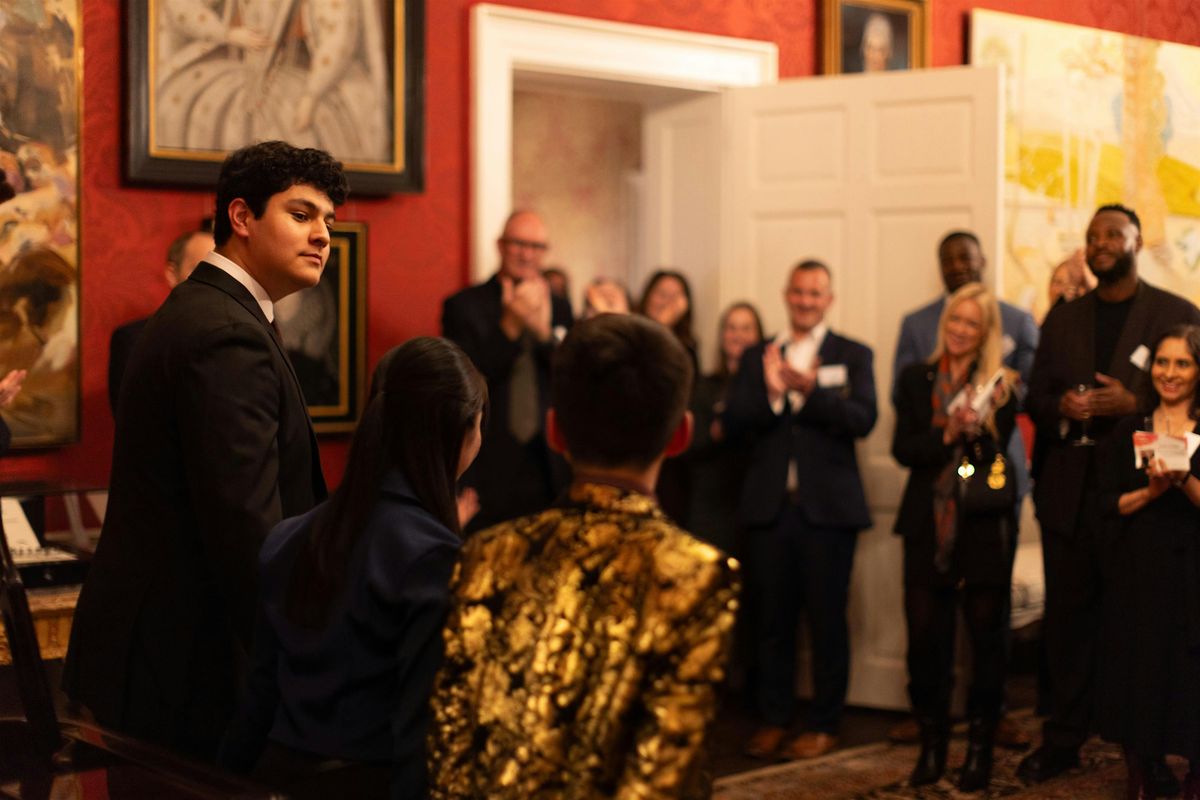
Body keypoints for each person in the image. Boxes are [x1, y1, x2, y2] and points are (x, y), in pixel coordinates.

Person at [63, 141, 348, 761]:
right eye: (301, 214)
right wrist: (306, 668)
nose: (323, 236)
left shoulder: (216, 311)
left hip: (170, 649)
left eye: (328, 221)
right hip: (186, 661)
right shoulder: (225, 332)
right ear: (241, 217)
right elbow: (246, 527)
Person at [427, 314, 740, 799]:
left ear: (555, 431)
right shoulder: (696, 574)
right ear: (681, 435)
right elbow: (666, 772)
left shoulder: (488, 553)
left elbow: (450, 745)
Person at [219, 337, 486, 799]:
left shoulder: (288, 538)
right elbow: (421, 737)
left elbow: (256, 707)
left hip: (274, 779)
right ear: (461, 433)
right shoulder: (435, 560)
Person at [1018, 204, 1200, 788]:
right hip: (1071, 494)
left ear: (1137, 241)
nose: (1100, 243)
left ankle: (1148, 748)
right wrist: (1061, 407)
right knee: (1068, 625)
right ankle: (1064, 740)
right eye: (1093, 235)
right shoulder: (1064, 318)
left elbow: (1188, 392)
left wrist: (1133, 405)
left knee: (1141, 630)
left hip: (1148, 501)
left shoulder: (1175, 312)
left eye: (1113, 234)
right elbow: (1036, 397)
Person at [891, 230, 1038, 750]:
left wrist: (983, 421)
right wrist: (946, 433)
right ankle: (930, 733)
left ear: (985, 332)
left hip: (982, 513)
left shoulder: (1000, 386)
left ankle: (983, 732)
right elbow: (904, 446)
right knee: (925, 633)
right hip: (925, 517)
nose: (959, 329)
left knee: (986, 630)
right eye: (954, 320)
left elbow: (1002, 447)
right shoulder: (917, 377)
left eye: (971, 324)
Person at [726, 260, 877, 761]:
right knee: (773, 622)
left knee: (828, 621)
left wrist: (811, 393)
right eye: (799, 292)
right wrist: (773, 395)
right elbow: (735, 421)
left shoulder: (853, 354)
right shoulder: (759, 355)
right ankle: (774, 718)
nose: (806, 301)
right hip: (771, 511)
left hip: (828, 513)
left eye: (815, 293)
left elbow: (863, 418)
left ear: (828, 299)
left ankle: (825, 723)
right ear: (786, 295)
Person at [1095, 325, 1200, 800]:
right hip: (1140, 567)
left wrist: (1185, 480)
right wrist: (1153, 491)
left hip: (1193, 567)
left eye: (1182, 363)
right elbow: (1107, 504)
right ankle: (1143, 769)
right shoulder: (1128, 429)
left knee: (1190, 667)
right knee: (1141, 665)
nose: (1169, 373)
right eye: (1162, 362)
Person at [441, 210, 573, 531]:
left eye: (536, 246)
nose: (527, 254)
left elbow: (571, 377)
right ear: (501, 245)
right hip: (487, 460)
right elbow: (465, 382)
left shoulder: (560, 307)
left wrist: (544, 334)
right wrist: (510, 325)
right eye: (518, 244)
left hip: (549, 464)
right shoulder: (463, 305)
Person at [108, 228, 215, 413]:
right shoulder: (136, 340)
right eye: (203, 270)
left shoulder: (244, 336)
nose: (216, 282)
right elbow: (135, 420)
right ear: (172, 274)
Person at [686, 301, 764, 552]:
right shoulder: (703, 386)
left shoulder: (769, 389)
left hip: (757, 503)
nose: (738, 335)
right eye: (731, 328)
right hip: (712, 500)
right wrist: (718, 430)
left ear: (759, 336)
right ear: (722, 335)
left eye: (746, 328)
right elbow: (691, 443)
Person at [637, 269, 699, 525]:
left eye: (676, 297)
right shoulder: (629, 339)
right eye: (662, 294)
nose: (667, 303)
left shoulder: (688, 349)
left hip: (669, 459)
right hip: (631, 449)